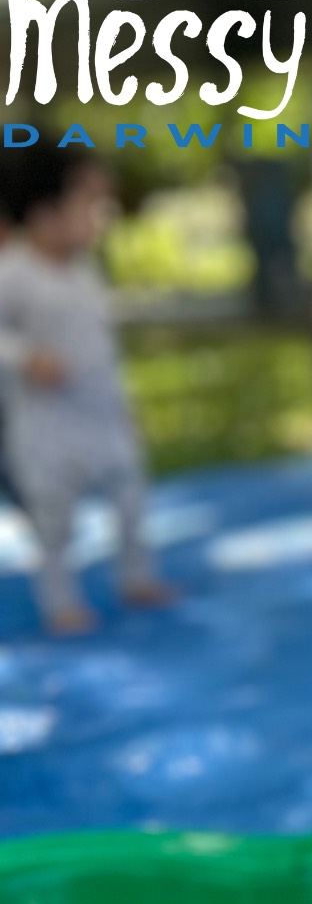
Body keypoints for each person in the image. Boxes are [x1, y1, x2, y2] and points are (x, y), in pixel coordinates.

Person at [0, 148, 174, 635]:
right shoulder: (14, 272)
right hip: (45, 424)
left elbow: (102, 347)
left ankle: (138, 577)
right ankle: (61, 601)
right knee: (55, 519)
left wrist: (123, 404)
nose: (100, 220)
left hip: (102, 412)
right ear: (44, 213)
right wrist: (24, 357)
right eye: (88, 206)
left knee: (131, 497)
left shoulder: (84, 272)